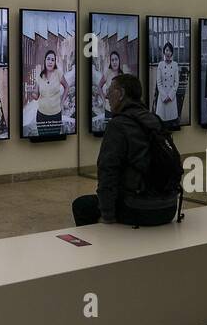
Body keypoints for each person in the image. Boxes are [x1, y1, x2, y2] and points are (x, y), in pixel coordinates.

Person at [72, 74, 179, 227]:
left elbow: (107, 172)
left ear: (121, 94)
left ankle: (98, 247)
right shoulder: (155, 120)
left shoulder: (118, 125)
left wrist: (107, 215)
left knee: (81, 205)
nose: (107, 96)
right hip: (169, 207)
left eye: (110, 90)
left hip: (140, 209)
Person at [30, 47, 71, 136]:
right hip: (41, 116)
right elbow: (36, 96)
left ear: (54, 62)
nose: (50, 62)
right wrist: (32, 92)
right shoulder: (40, 76)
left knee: (54, 140)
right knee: (42, 141)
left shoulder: (58, 73)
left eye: (52, 60)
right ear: (45, 60)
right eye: (48, 59)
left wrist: (62, 102)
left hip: (55, 115)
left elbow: (67, 87)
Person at [153, 42, 180, 126]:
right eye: (167, 50)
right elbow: (159, 82)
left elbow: (176, 83)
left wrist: (170, 96)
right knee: (161, 123)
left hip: (171, 99)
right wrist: (164, 96)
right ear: (164, 52)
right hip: (162, 98)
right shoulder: (160, 65)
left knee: (172, 123)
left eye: (170, 51)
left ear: (172, 53)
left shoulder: (175, 65)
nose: (168, 52)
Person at [96, 51, 122, 126]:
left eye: (116, 59)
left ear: (119, 60)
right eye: (112, 60)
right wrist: (104, 100)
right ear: (110, 62)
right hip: (109, 109)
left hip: (119, 110)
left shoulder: (122, 74)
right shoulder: (108, 72)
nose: (114, 62)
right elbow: (99, 86)